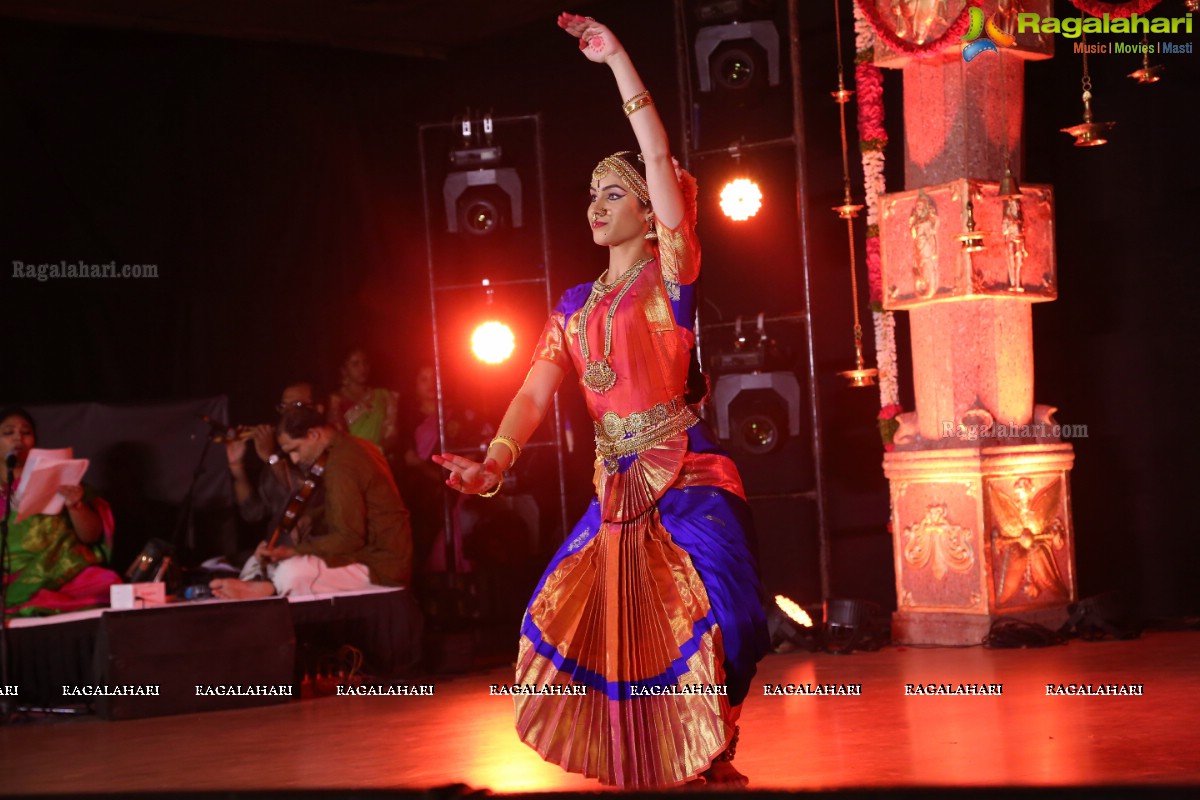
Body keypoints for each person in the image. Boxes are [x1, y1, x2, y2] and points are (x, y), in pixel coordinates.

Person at [433, 15, 769, 789]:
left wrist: (618, 59)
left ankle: (713, 734)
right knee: (598, 624)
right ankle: (676, 750)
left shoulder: (672, 275)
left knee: (729, 616)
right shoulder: (574, 305)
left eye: (613, 193)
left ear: (652, 213)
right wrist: (495, 462)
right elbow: (531, 390)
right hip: (615, 489)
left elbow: (655, 152)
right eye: (590, 194)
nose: (596, 204)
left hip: (687, 477)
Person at [211, 404, 412, 599]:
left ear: (314, 435)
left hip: (381, 566)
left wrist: (292, 551)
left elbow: (349, 538)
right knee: (261, 561)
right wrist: (312, 517)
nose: (295, 459)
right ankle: (263, 585)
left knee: (290, 572)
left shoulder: (341, 464)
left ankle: (269, 589)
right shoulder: (351, 446)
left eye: (295, 449)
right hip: (367, 556)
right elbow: (353, 505)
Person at [1, 407, 121, 617]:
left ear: (34, 441)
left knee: (107, 585)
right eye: (8, 432)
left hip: (61, 574)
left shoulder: (59, 480)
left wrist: (76, 505)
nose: (18, 438)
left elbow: (91, 536)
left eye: (26, 432)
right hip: (9, 580)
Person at [328, 347, 400, 461]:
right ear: (344, 370)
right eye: (355, 364)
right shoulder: (336, 400)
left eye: (365, 363)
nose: (362, 368)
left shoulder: (384, 397)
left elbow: (392, 435)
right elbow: (338, 438)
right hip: (350, 462)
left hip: (379, 461)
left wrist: (375, 452)